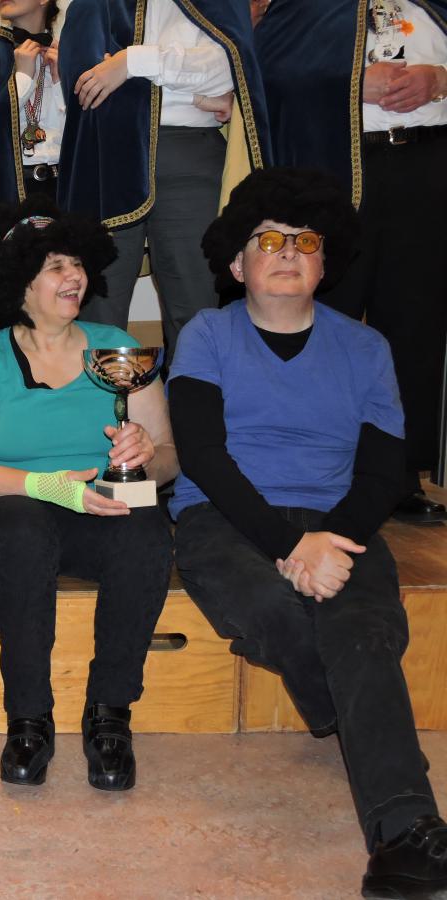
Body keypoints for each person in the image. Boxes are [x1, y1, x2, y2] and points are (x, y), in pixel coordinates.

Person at [169, 167, 446, 898]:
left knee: (365, 632)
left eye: (305, 241)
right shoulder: (207, 334)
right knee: (271, 606)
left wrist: (331, 540)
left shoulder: (367, 348)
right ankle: (343, 707)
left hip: (338, 521)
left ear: (327, 264)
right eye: (268, 241)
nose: (288, 252)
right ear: (238, 266)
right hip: (223, 516)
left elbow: (385, 471)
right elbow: (203, 455)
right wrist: (290, 548)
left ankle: (406, 832)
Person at [0, 199, 176, 790]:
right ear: (19, 282)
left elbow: (170, 460)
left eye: (76, 263)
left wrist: (145, 454)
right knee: (25, 526)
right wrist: (44, 486)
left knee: (147, 527)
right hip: (1, 513)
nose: (73, 276)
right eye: (54, 267)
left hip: (95, 509)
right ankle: (29, 719)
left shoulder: (117, 347)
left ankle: (110, 716)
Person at [256, 0, 447, 523]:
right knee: (323, 319)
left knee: (414, 325)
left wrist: (439, 79)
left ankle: (398, 476)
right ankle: (311, 469)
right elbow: (266, 69)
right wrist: (350, 84)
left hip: (426, 165)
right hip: (336, 167)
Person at [58, 0, 271, 366]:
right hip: (108, 159)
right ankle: (103, 402)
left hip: (190, 156)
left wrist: (130, 62)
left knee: (195, 307)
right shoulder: (94, 6)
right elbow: (85, 87)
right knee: (98, 308)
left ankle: (192, 399)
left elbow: (227, 67)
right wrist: (192, 92)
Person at [0, 0, 66, 205]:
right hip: (6, 195)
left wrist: (60, 83)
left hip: (63, 194)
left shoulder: (67, 57)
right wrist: (22, 80)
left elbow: (83, 137)